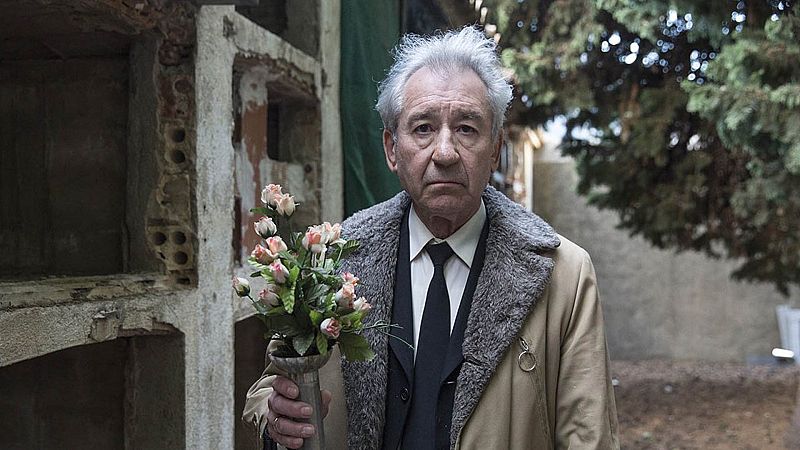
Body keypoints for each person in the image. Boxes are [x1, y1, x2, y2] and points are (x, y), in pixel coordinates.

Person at [243, 26, 619, 449]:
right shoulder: (333, 260)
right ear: (392, 149)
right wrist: (276, 419)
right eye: (423, 128)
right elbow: (271, 389)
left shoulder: (563, 276)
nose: (444, 152)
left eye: (467, 129)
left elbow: (589, 437)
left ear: (495, 149)